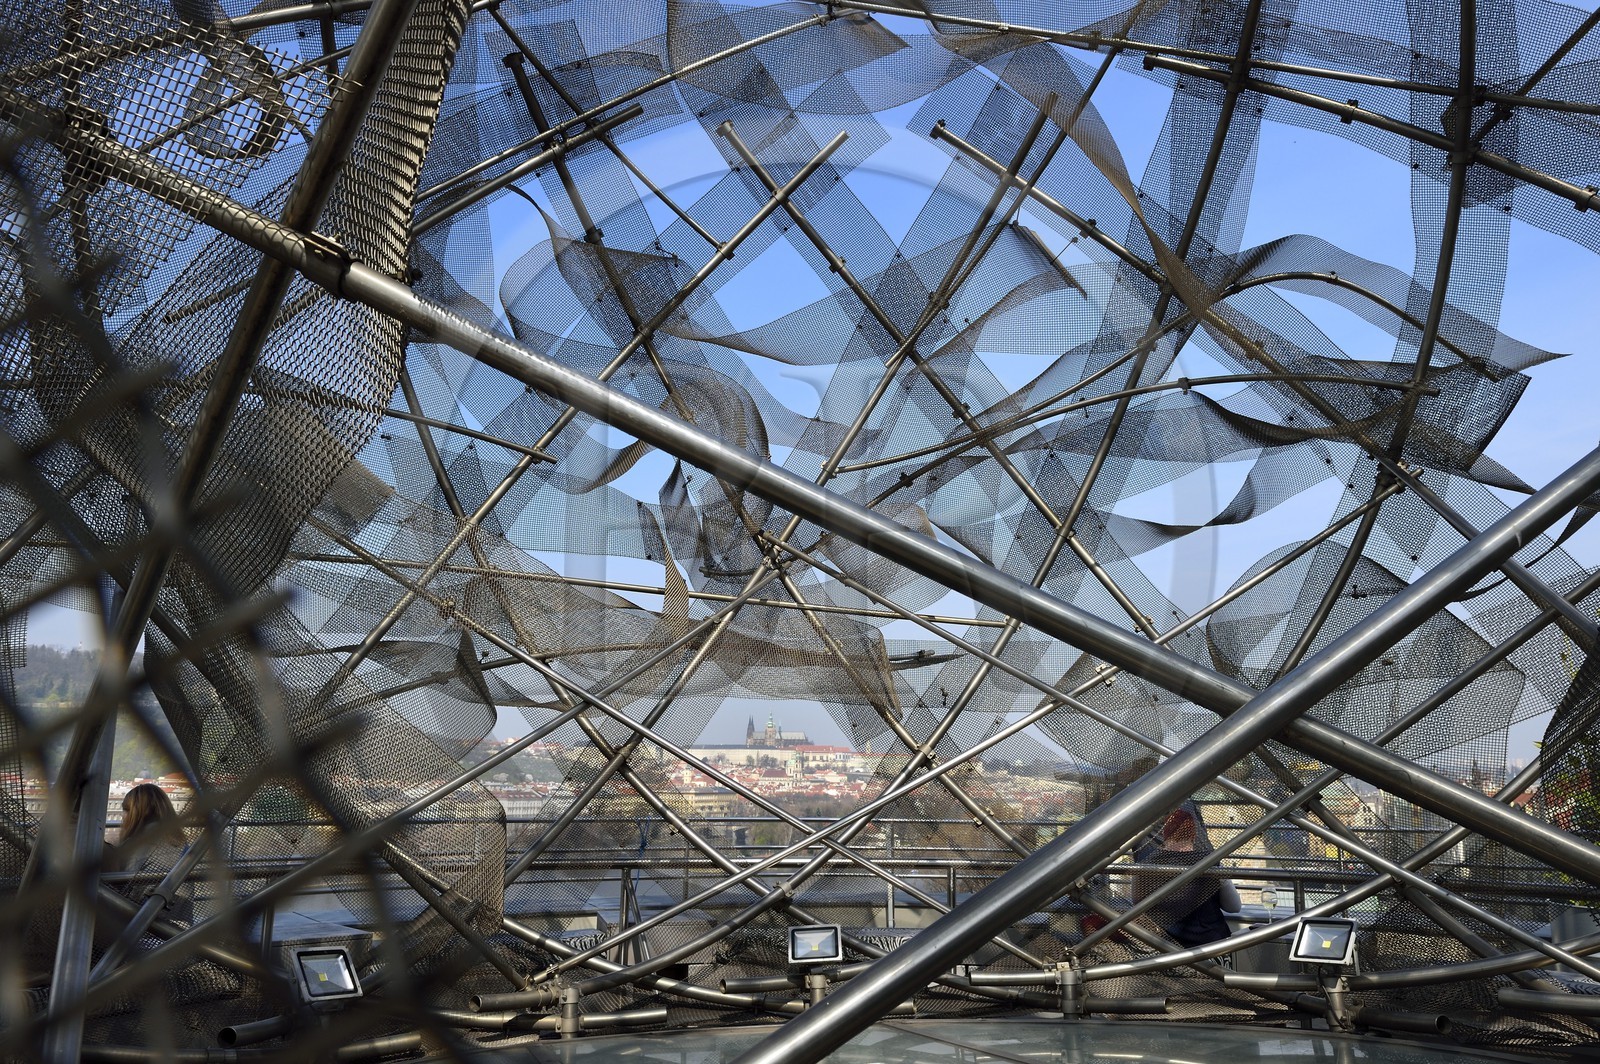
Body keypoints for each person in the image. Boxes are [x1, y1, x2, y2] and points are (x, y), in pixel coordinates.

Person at [1135, 808, 1240, 948]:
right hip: (1211, 945)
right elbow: (1234, 907)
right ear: (1194, 834)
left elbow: (1138, 907)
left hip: (1167, 949)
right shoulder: (1209, 862)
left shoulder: (1146, 866)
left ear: (1165, 833)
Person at [105, 784, 192, 923]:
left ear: (134, 814)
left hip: (146, 926)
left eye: (126, 811)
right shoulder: (180, 843)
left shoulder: (136, 845)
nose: (123, 817)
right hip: (182, 924)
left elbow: (125, 891)